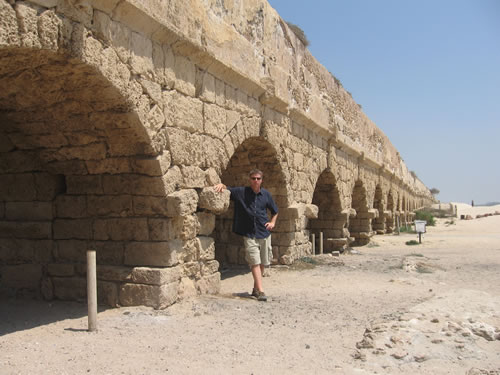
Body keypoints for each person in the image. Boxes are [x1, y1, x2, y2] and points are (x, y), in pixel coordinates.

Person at [214, 169, 278, 301]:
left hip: (264, 232)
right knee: (254, 261)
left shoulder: (266, 195)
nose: (255, 181)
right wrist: (222, 185)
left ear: (261, 180)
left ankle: (255, 289)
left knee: (262, 263)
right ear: (250, 180)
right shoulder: (241, 192)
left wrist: (272, 222)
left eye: (258, 179)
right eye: (253, 178)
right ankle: (260, 291)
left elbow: (275, 211)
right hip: (249, 233)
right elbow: (229, 189)